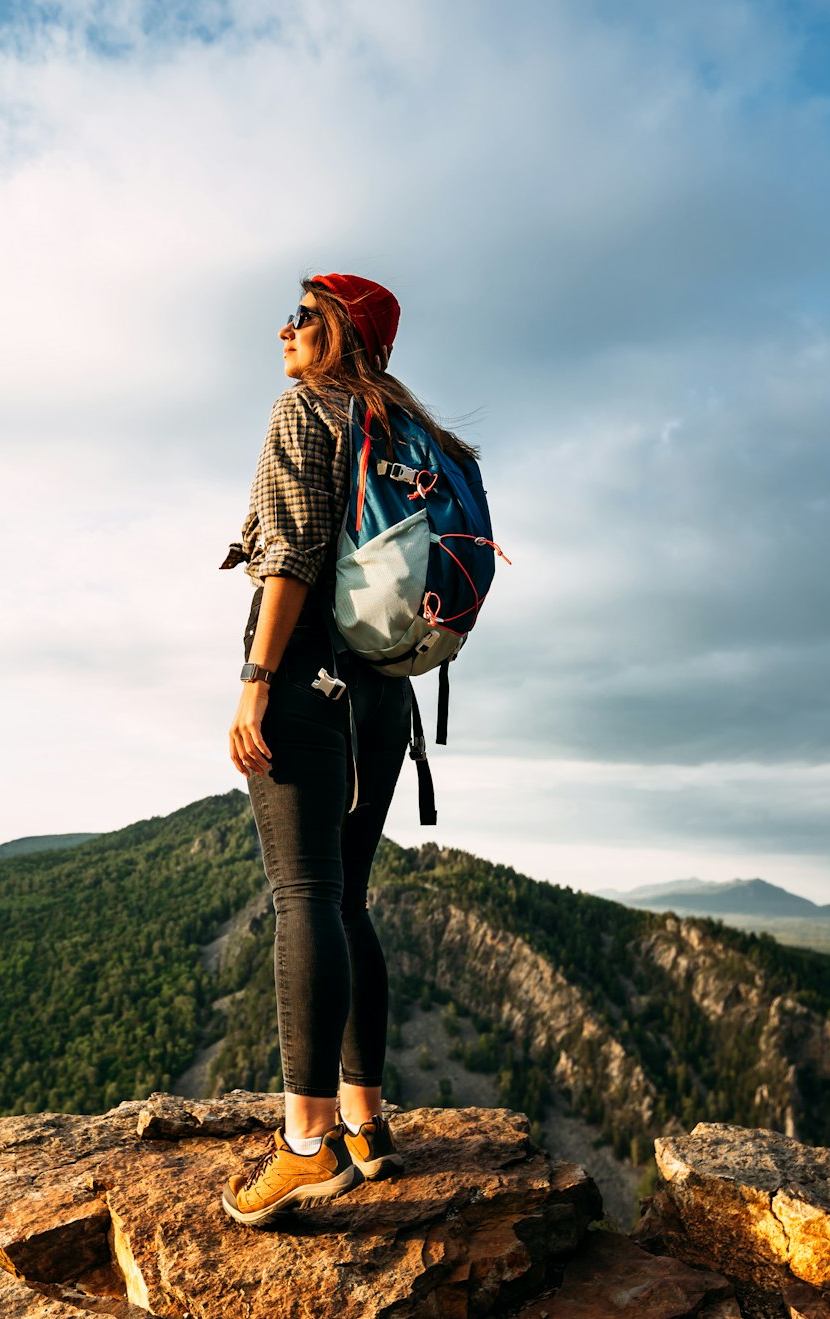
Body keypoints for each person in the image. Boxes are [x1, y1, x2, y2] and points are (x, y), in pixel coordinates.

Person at [219, 273, 482, 1226]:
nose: (283, 329)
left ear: (337, 335)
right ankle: (367, 1126)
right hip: (385, 697)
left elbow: (288, 552)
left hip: (306, 678)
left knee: (303, 896)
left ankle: (305, 1142)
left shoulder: (309, 410)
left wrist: (256, 678)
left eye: (301, 317)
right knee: (349, 898)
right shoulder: (427, 440)